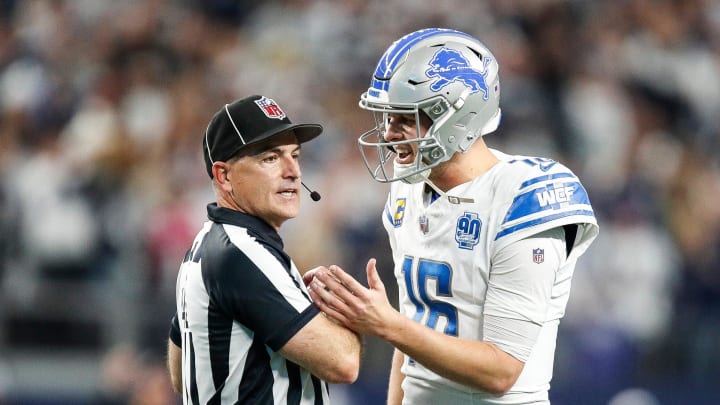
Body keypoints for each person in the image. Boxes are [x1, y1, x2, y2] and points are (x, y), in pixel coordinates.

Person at [305, 28, 599, 404]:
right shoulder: (407, 188)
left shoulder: (523, 197)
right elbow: (412, 339)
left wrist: (388, 324)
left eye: (404, 119)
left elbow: (501, 371)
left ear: (459, 116)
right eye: (387, 118)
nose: (390, 135)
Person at [166, 95, 362, 404]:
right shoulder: (241, 253)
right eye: (270, 158)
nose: (293, 172)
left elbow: (181, 373)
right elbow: (343, 363)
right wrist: (347, 313)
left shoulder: (205, 245)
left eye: (295, 156)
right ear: (224, 176)